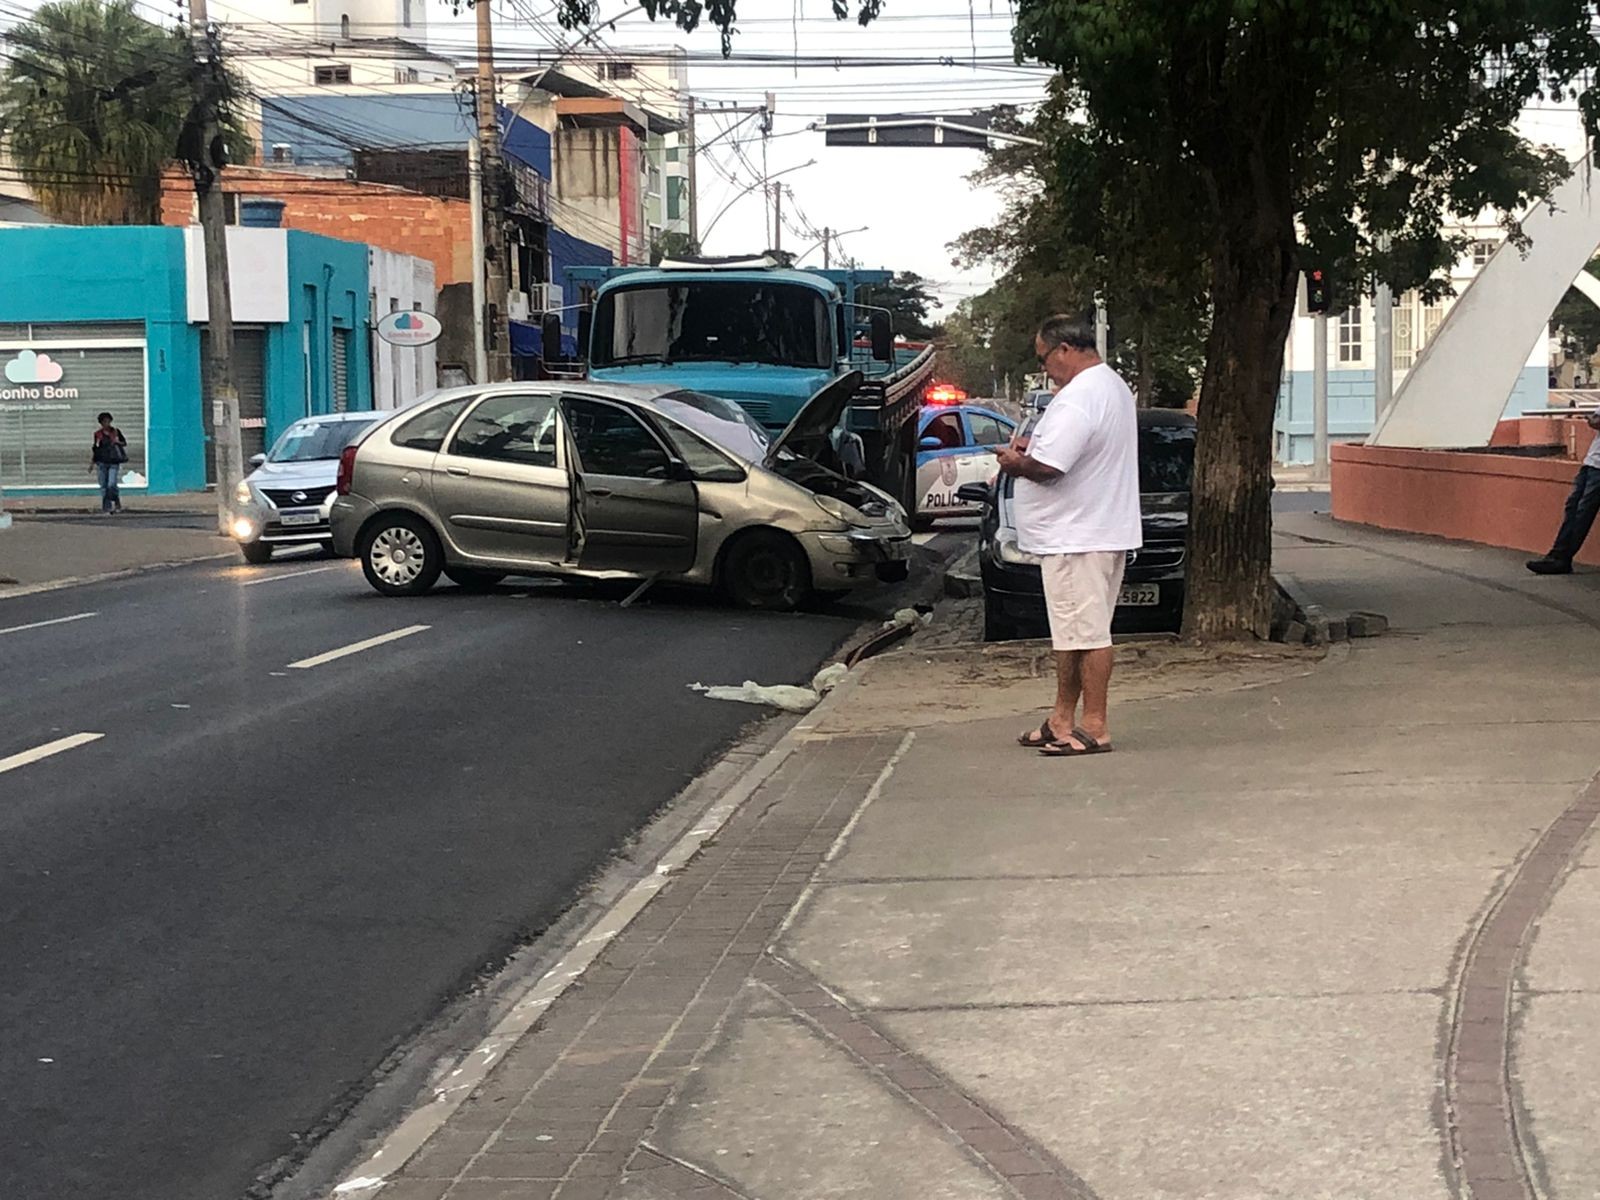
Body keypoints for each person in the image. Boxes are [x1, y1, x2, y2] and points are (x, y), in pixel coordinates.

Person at [996, 315, 1141, 757]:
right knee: (1071, 633)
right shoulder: (1110, 385)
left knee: (1089, 634)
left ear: (1064, 350)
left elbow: (1050, 467)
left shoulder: (1079, 397)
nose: (1046, 370)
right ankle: (1062, 717)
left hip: (1078, 534)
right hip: (1094, 527)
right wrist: (1032, 451)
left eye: (1045, 359)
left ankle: (1094, 725)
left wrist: (1015, 462)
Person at [1527, 409, 1600, 575]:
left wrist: (1592, 419)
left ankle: (1561, 557)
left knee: (1582, 512)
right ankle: (1558, 555)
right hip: (1592, 462)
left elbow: (1596, 421)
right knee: (1574, 507)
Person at [90, 411, 127, 515]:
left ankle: (116, 500)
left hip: (113, 462)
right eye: (104, 422)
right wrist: (92, 463)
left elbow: (124, 443)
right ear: (101, 423)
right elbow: (95, 449)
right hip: (101, 463)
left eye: (108, 421)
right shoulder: (98, 434)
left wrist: (117, 442)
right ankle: (107, 508)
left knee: (111, 484)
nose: (106, 424)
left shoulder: (115, 432)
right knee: (103, 486)